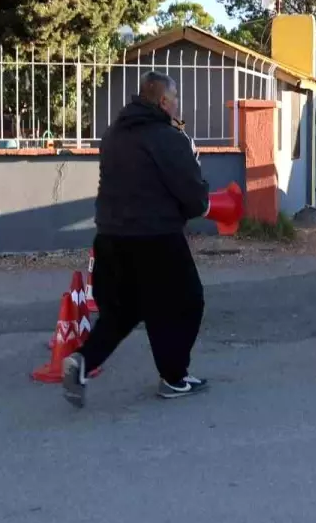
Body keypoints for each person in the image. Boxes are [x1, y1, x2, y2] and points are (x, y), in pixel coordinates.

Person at [62, 71, 211, 408]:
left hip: (110, 238)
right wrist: (198, 194)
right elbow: (194, 197)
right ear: (163, 101)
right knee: (188, 303)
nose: (177, 106)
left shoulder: (113, 135)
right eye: (175, 99)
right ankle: (174, 377)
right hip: (156, 238)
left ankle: (82, 362)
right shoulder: (168, 138)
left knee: (122, 312)